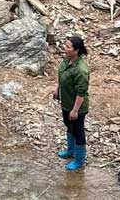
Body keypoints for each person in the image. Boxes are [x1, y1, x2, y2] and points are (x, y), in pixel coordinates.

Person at [52, 36, 90, 171]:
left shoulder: (81, 70)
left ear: (76, 50)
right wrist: (57, 89)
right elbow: (62, 76)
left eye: (68, 47)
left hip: (77, 106)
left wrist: (75, 110)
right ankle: (70, 150)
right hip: (66, 102)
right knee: (69, 125)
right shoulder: (67, 60)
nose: (65, 48)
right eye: (65, 45)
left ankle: (79, 160)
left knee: (78, 131)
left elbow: (81, 92)